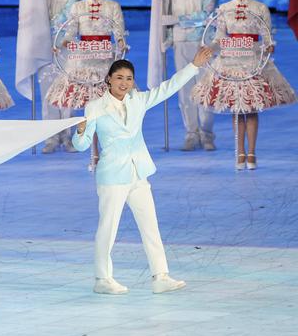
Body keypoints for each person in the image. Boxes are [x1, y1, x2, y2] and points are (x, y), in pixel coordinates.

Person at [74, 48, 213, 295]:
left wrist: (194, 66)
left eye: (128, 79)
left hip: (139, 173)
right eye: (119, 78)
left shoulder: (138, 100)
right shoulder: (95, 106)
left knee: (151, 225)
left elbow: (168, 87)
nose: (124, 83)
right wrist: (81, 130)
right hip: (112, 176)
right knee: (108, 228)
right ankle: (102, 278)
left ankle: (160, 276)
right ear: (109, 79)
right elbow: (81, 145)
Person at [192, 0, 296, 169]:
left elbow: (267, 37)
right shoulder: (224, 9)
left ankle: (252, 153)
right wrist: (210, 47)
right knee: (237, 109)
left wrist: (269, 47)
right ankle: (239, 153)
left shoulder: (260, 8)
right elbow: (220, 37)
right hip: (231, 59)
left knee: (250, 108)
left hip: (252, 61)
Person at [45, 0, 126, 170]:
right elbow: (71, 32)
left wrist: (122, 44)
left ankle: (104, 154)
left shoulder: (112, 6)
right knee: (89, 111)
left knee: (106, 111)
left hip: (104, 64)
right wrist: (62, 43)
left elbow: (119, 33)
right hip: (82, 64)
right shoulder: (78, 6)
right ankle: (91, 153)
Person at [162, 0, 218, 151]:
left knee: (204, 88)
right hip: (179, 41)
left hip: (201, 42)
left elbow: (206, 16)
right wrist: (167, 36)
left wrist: (177, 19)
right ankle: (191, 133)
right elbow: (165, 14)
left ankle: (207, 134)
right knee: (184, 90)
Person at [40, 0, 80, 153]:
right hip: (42, 46)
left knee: (67, 89)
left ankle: (68, 136)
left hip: (65, 45)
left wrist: (51, 30)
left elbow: (70, 15)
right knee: (47, 90)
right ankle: (50, 137)